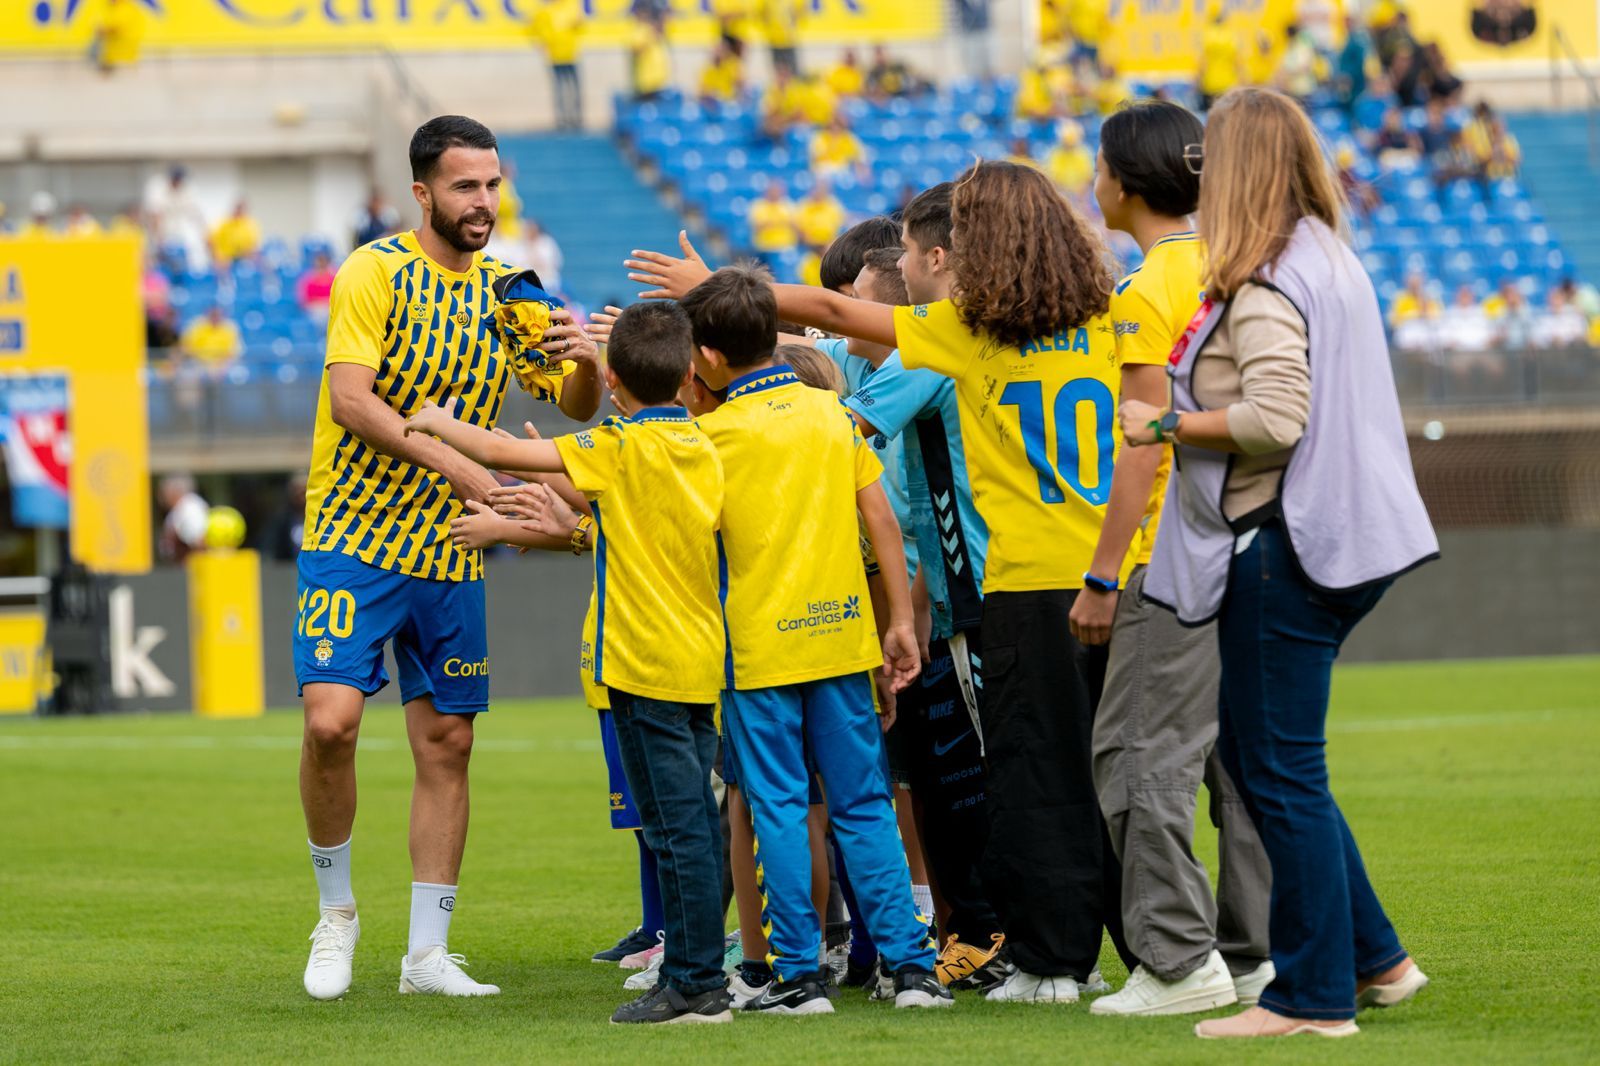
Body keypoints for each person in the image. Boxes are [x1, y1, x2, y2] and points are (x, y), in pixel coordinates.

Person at [628, 161, 1137, 1004]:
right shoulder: (1108, 316)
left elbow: (830, 315)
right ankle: (1154, 954)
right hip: (1118, 564)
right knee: (1121, 772)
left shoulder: (967, 330)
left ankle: (1035, 959)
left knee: (1027, 777)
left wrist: (722, 290)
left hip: (1007, 581)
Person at [1118, 87, 1436, 1039]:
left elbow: (1276, 419)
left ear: (1238, 168)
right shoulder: (1328, 255)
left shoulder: (1265, 280)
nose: (1201, 175)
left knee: (1277, 769)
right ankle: (1377, 960)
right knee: (1274, 763)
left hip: (1289, 539)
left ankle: (1311, 997)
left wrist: (1166, 425)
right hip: (1350, 533)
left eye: (1213, 158)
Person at [294, 115, 601, 1003]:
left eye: (493, 184)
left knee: (449, 741)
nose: (484, 202)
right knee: (330, 725)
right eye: (466, 186)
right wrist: (462, 465)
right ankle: (336, 912)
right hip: (352, 534)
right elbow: (352, 402)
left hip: (448, 544)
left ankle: (426, 955)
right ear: (422, 193)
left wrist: (585, 362)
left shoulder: (514, 290)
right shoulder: (374, 271)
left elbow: (576, 406)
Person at [406, 301, 733, 1025]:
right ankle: (695, 971)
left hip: (640, 664)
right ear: (688, 373)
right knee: (694, 824)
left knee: (674, 828)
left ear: (612, 381)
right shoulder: (706, 440)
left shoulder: (617, 445)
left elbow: (506, 453)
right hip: (702, 661)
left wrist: (434, 420)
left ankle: (696, 984)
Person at [671, 265, 947, 1013]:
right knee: (865, 805)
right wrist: (898, 621)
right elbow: (880, 517)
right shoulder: (833, 414)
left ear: (709, 357)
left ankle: (798, 976)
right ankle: (911, 969)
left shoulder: (707, 437)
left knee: (780, 811)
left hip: (759, 651)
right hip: (842, 641)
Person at [1071, 99, 1273, 1018]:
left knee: (1136, 754)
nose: (1094, 181)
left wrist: (1104, 574)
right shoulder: (1243, 264)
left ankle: (1179, 961)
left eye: (1099, 166)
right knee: (1240, 761)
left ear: (1122, 182)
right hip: (1250, 543)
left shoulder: (1145, 290)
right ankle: (1256, 952)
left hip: (1170, 558)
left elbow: (1144, 445)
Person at [842, 223, 1008, 993]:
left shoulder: (921, 357)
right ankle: (969, 930)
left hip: (972, 597)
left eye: (856, 297)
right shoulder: (889, 364)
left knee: (971, 776)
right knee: (938, 781)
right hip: (937, 601)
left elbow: (831, 438)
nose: (846, 309)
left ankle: (996, 933)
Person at [530, 0, 584, 131]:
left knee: (573, 88)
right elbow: (536, 29)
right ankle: (562, 119)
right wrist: (541, 42)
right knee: (560, 89)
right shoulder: (546, 11)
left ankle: (576, 118)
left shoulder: (570, 7)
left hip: (571, 55)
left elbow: (580, 26)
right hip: (555, 56)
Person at [157, 474, 209, 564]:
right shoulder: (178, 509)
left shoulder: (189, 508)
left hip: (190, 566)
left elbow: (200, 540)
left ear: (173, 491)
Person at [1198, 14, 1241, 111]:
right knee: (1227, 112)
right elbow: (1237, 63)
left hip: (1210, 82)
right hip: (1228, 83)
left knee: (1210, 112)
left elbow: (1202, 62)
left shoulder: (1207, 36)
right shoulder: (1231, 37)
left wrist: (1199, 79)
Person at [179, 304, 243, 371]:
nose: (215, 318)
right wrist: (203, 362)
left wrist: (220, 363)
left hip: (223, 364)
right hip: (198, 363)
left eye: (218, 315)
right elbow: (186, 347)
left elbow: (235, 351)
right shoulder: (196, 326)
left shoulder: (230, 328)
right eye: (213, 315)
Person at [92, 0, 145, 75]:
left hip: (123, 60)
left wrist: (103, 31)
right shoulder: (113, 8)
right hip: (112, 59)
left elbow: (117, 28)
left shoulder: (126, 8)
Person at [810, 116, 866, 181]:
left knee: (858, 169)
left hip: (843, 168)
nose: (835, 129)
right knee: (823, 172)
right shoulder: (820, 137)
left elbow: (858, 155)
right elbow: (815, 157)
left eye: (838, 127)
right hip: (824, 167)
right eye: (832, 127)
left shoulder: (848, 137)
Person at [630, 13, 672, 101]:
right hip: (646, 86)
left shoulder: (658, 38)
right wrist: (648, 37)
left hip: (657, 84)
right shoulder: (644, 32)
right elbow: (635, 50)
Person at [211, 201, 262, 270]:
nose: (239, 213)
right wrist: (219, 256)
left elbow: (253, 245)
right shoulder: (224, 224)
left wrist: (248, 253)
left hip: (243, 256)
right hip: (226, 257)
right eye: (238, 210)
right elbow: (212, 241)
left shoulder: (250, 225)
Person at [749, 182, 798, 254]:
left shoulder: (789, 205)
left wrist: (772, 223)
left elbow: (796, 226)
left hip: (786, 246)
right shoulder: (758, 205)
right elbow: (756, 227)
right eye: (773, 190)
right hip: (764, 247)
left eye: (777, 190)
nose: (775, 193)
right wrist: (780, 222)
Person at [698, 40, 745, 106]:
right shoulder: (707, 71)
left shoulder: (732, 66)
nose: (718, 54)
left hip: (729, 102)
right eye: (716, 51)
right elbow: (702, 92)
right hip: (712, 103)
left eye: (721, 51)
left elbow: (740, 85)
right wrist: (711, 94)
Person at [297, 252, 338, 327]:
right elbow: (303, 300)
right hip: (313, 310)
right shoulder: (308, 279)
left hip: (330, 309)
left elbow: (337, 298)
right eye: (318, 266)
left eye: (323, 266)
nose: (320, 269)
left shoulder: (334, 278)